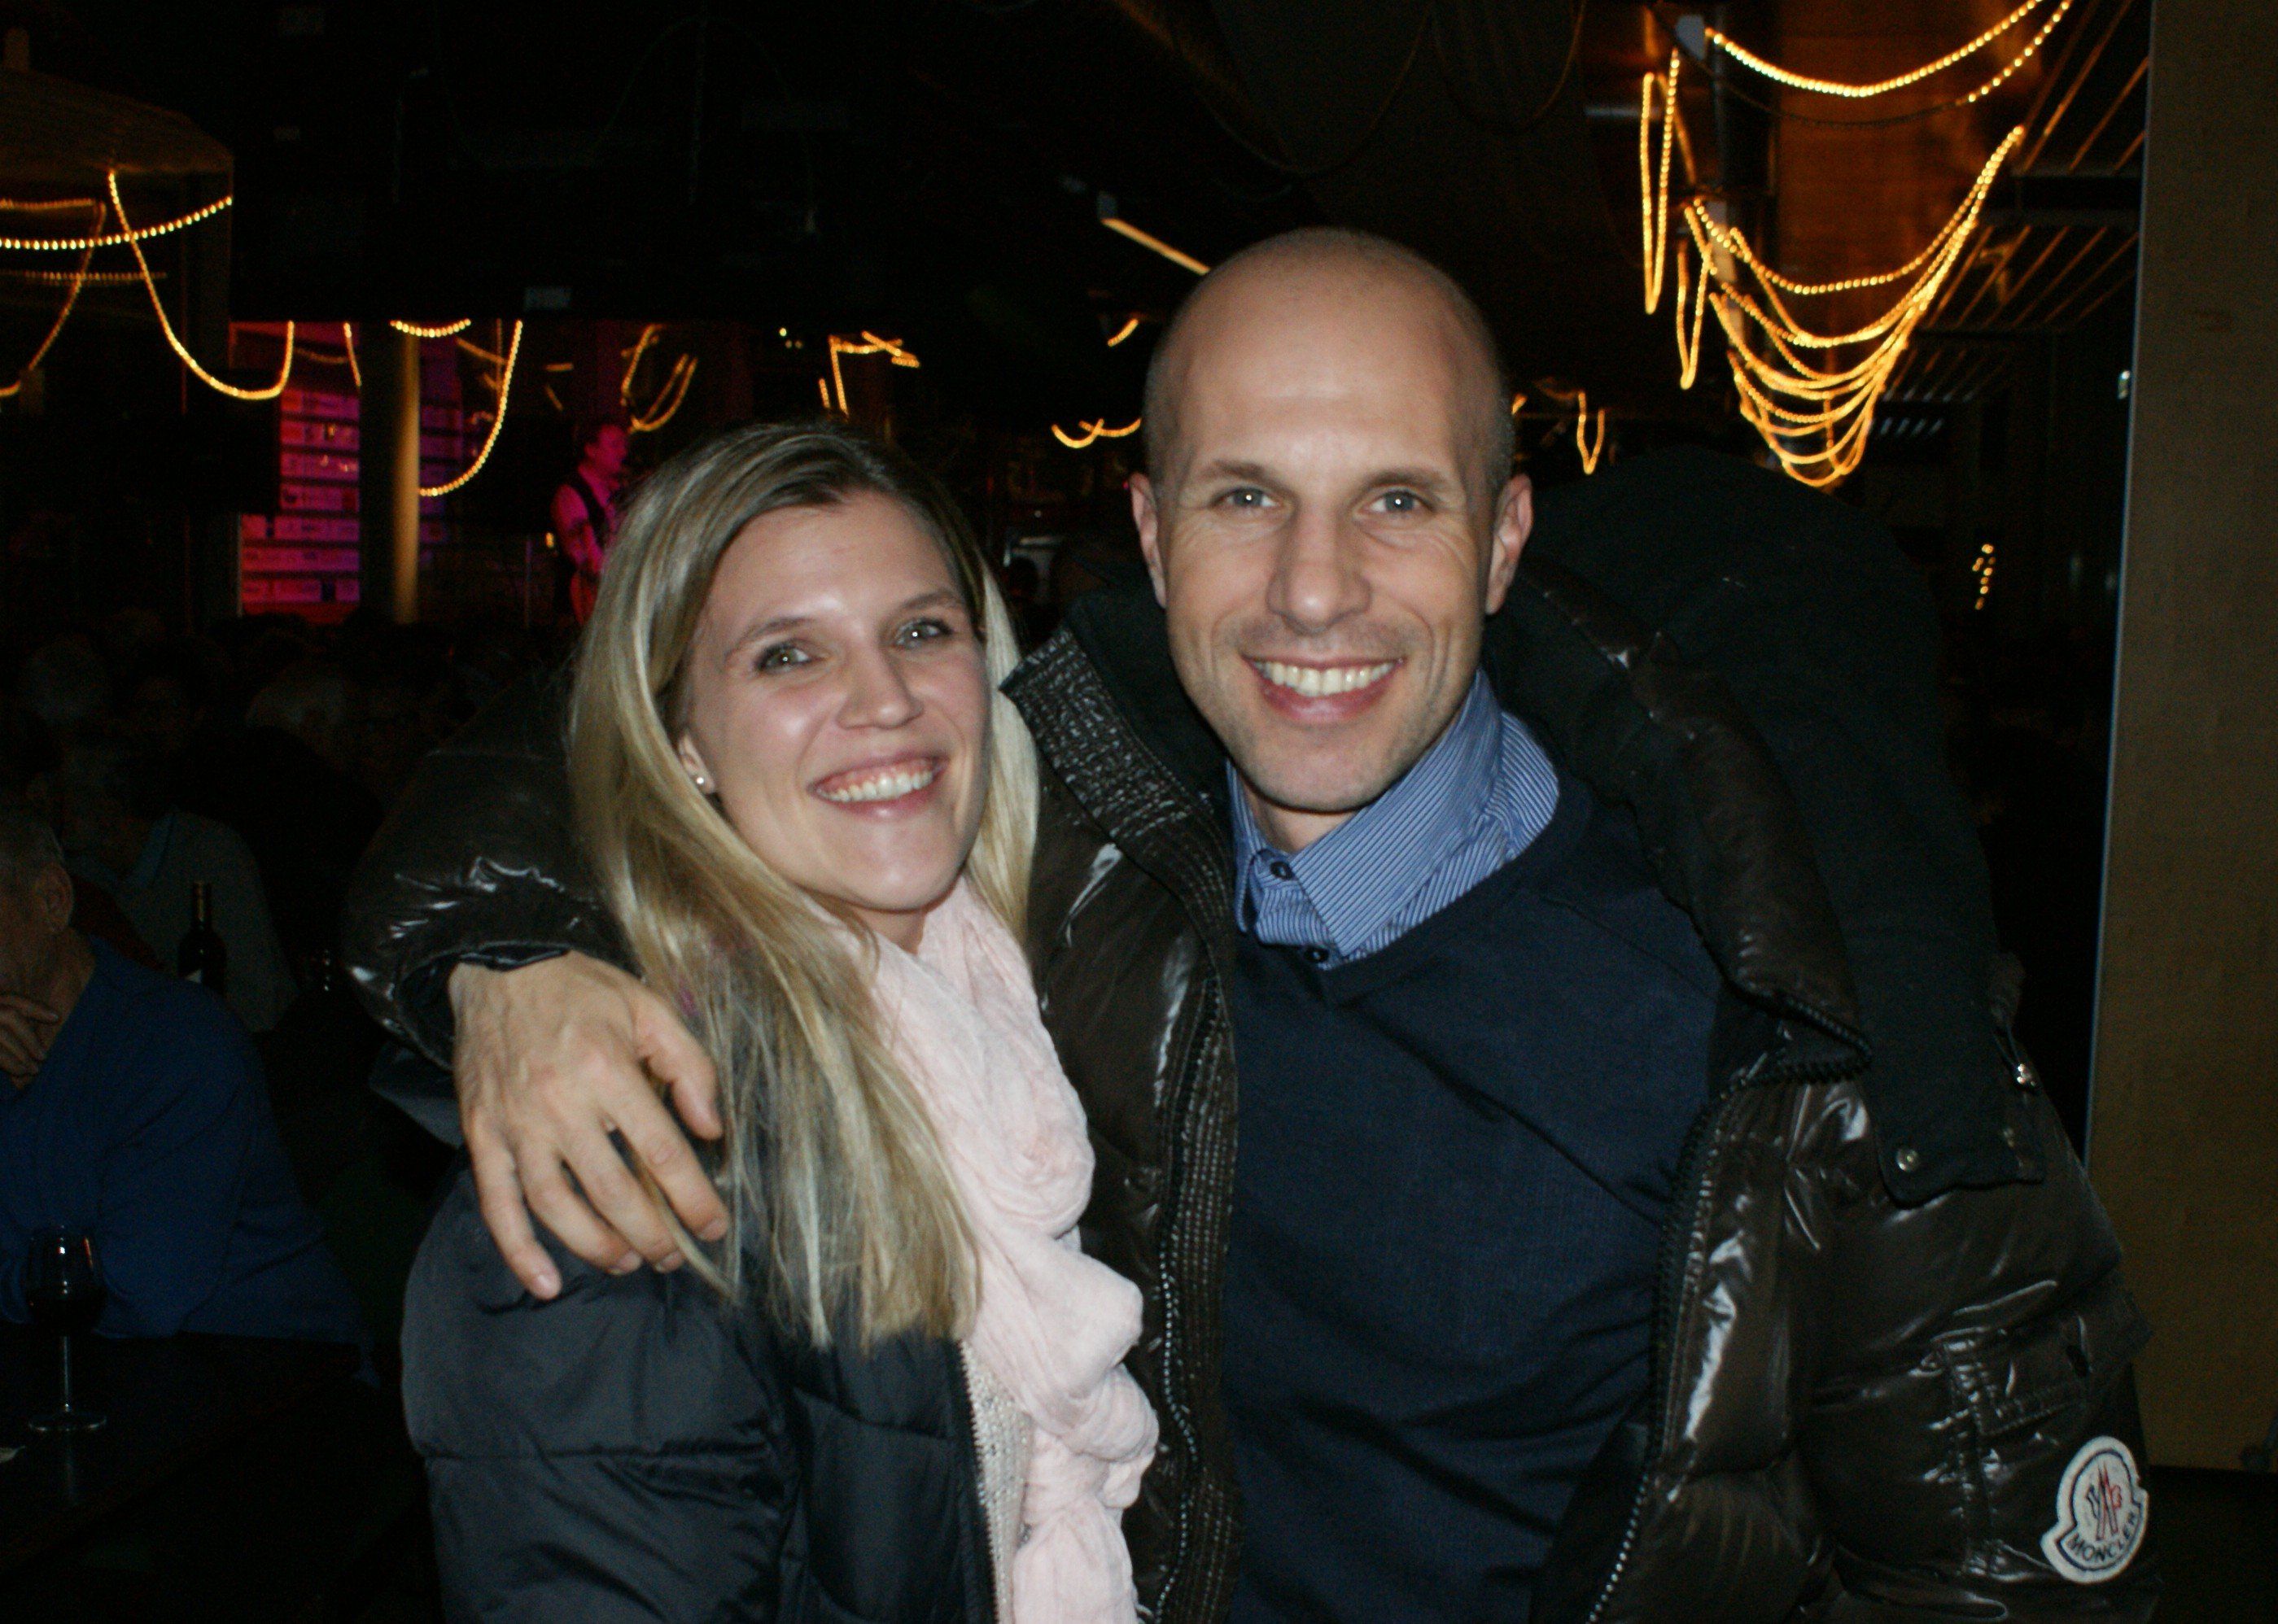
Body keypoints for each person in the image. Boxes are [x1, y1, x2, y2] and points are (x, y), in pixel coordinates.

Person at [344, 230, 2156, 1620]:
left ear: (1505, 539)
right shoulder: (1063, 866)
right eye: (1243, 498)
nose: (1311, 589)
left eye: (1395, 501)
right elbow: (677, 728)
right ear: (1148, 534)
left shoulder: (1793, 1000)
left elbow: (1990, 1580)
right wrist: (505, 953)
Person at [395, 422, 1156, 1621]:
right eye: (788, 656)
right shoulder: (622, 1147)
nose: (885, 700)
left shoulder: (1042, 1003)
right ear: (683, 740)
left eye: (921, 632)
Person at [0, 803, 364, 1347]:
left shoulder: (176, 1042)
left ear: (52, 900)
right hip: (99, 1369)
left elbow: (137, 1293)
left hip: (272, 1367)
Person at [51, 728, 298, 1032]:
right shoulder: (83, 874)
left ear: (107, 808)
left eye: (66, 798)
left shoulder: (210, 855)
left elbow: (260, 1000)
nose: (56, 811)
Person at [553, 415, 632, 625]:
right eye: (614, 446)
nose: (622, 453)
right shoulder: (571, 494)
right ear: (591, 450)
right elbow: (586, 560)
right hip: (585, 611)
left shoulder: (619, 490)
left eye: (623, 445)